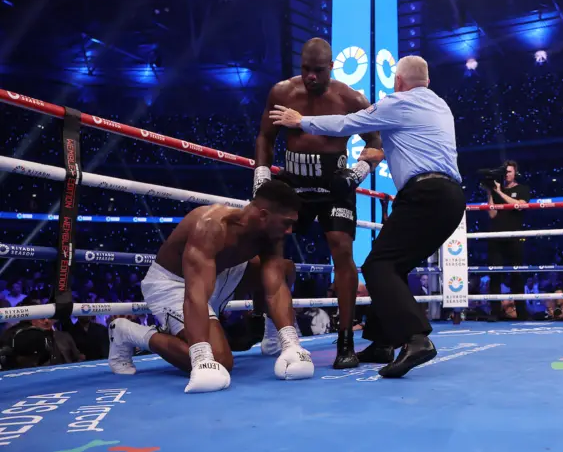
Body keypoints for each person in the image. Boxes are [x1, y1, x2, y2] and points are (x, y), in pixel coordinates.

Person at [270, 55, 466, 378]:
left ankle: (416, 339)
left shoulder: (397, 103)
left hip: (425, 196)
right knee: (393, 264)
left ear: (399, 83)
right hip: (450, 199)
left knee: (378, 266)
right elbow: (408, 143)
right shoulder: (440, 106)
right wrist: (377, 155)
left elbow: (347, 123)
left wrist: (300, 121)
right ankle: (382, 342)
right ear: (427, 82)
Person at [108, 180, 314, 393]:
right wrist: (200, 355)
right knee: (220, 360)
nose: (290, 231)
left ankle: (273, 341)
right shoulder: (210, 226)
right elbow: (195, 293)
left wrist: (291, 343)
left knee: (285, 268)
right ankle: (128, 332)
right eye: (286, 223)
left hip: (221, 275)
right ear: (263, 215)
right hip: (176, 283)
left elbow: (275, 284)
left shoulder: (270, 232)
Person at [253, 37, 383, 369]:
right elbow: (266, 137)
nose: (311, 77)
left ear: (331, 67)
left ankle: (346, 340)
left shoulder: (349, 98)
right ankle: (276, 329)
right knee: (270, 249)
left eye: (318, 70)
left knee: (341, 247)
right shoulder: (282, 92)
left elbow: (376, 142)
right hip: (294, 183)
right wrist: (261, 176)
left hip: (334, 183)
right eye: (306, 70)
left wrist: (357, 173)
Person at [485, 160, 531, 320]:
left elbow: (520, 205)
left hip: (514, 237)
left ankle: (522, 312)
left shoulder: (522, 189)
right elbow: (492, 214)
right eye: (505, 172)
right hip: (496, 237)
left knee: (517, 275)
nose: (507, 175)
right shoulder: (498, 191)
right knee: (495, 276)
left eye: (509, 171)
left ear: (515, 173)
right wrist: (491, 192)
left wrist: (500, 192)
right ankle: (495, 312)